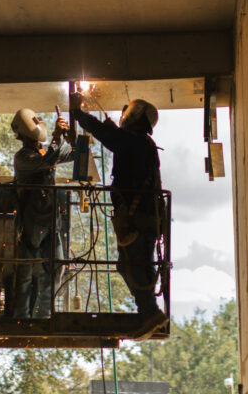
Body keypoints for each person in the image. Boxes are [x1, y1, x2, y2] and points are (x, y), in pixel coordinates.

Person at [69, 93, 169, 339]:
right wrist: (109, 127)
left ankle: (149, 312)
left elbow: (111, 138)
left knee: (134, 263)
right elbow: (117, 139)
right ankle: (148, 311)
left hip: (137, 217)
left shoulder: (135, 142)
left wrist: (78, 113)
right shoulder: (140, 143)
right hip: (143, 216)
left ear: (134, 116)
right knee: (128, 265)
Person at [11, 108, 73, 319]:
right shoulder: (23, 157)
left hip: (50, 220)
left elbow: (68, 154)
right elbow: (49, 160)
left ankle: (43, 315)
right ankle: (21, 317)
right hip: (32, 221)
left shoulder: (44, 152)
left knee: (57, 267)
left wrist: (72, 137)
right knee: (27, 273)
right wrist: (58, 137)